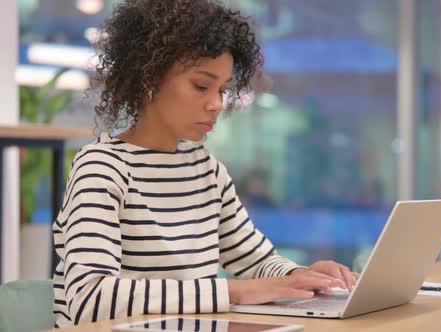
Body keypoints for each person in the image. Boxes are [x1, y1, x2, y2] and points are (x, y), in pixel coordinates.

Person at [52, 0, 358, 328]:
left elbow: (256, 260)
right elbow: (91, 300)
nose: (216, 104)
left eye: (222, 89)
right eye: (201, 86)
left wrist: (301, 276)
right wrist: (234, 292)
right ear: (148, 78)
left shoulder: (206, 170)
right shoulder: (101, 168)